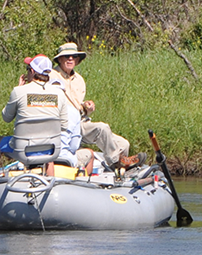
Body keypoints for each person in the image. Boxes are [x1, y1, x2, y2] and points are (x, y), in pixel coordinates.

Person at [0, 55, 73, 186]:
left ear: (32, 71)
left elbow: (6, 117)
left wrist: (18, 89)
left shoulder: (19, 91)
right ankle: (49, 184)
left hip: (22, 150)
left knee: (0, 142)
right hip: (50, 150)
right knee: (48, 153)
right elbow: (64, 125)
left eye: (27, 69)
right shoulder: (59, 94)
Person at [50, 41, 143, 171]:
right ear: (60, 59)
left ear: (77, 60)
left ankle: (119, 171)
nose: (70, 59)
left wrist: (86, 108)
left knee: (124, 144)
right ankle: (118, 162)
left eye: (74, 56)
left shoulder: (79, 80)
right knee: (102, 128)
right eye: (67, 56)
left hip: (82, 120)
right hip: (68, 123)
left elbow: (78, 105)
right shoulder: (52, 76)